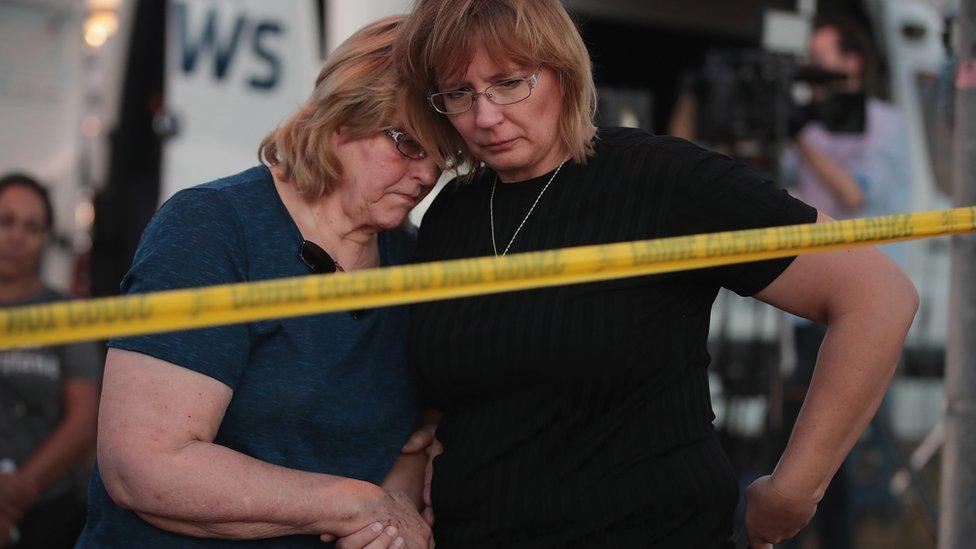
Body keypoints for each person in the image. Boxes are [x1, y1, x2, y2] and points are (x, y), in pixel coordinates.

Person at [394, 1, 919, 547]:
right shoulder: (450, 214)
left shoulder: (663, 179)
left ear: (563, 71)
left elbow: (877, 296)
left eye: (508, 83)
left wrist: (793, 490)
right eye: (459, 94)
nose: (485, 116)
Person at [76, 15, 438, 549]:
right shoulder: (212, 227)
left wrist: (394, 511)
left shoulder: (412, 260)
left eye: (442, 154)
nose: (427, 175)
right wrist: (355, 505)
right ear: (341, 117)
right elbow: (144, 465)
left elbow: (413, 440)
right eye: (407, 143)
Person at [779, 15, 913, 549]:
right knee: (796, 439)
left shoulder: (881, 121)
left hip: (861, 299)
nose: (813, 66)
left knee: (838, 448)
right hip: (802, 298)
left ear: (852, 62)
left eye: (823, 54)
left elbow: (855, 194)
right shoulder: (807, 122)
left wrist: (801, 138)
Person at [0, 174, 100, 549]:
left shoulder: (65, 315)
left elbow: (83, 420)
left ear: (45, 239)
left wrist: (15, 494)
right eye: (5, 221)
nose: (16, 237)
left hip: (46, 507)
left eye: (31, 227)